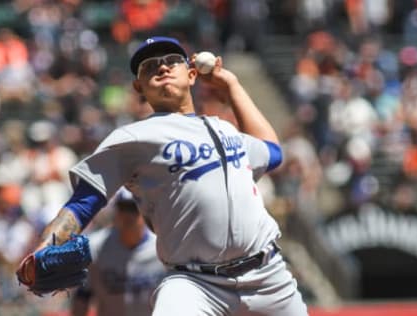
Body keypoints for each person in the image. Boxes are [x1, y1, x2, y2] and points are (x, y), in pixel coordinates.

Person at [17, 36, 309, 316]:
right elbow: (83, 203)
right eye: (149, 66)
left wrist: (231, 85)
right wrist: (42, 250)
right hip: (196, 284)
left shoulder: (225, 129)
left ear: (192, 74)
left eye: (172, 60)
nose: (162, 66)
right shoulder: (133, 138)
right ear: (139, 86)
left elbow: (273, 151)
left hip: (267, 273)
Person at [70, 187, 166, 316]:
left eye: (133, 209)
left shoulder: (161, 248)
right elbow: (83, 295)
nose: (128, 215)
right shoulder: (96, 247)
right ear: (116, 212)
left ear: (145, 212)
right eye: (123, 208)